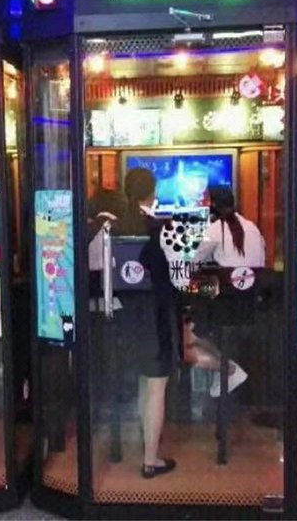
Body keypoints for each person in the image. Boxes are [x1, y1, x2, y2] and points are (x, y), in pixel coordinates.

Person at [115, 168, 177, 479]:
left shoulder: (115, 226)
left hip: (126, 318)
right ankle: (150, 460)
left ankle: (146, 446)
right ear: (152, 193)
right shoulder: (160, 228)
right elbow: (173, 274)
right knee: (156, 387)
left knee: (143, 381)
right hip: (155, 317)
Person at [190, 186, 265, 397]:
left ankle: (225, 366)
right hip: (250, 304)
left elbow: (193, 262)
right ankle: (226, 367)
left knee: (189, 323)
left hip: (224, 305)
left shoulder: (215, 230)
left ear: (212, 206)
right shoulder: (252, 227)